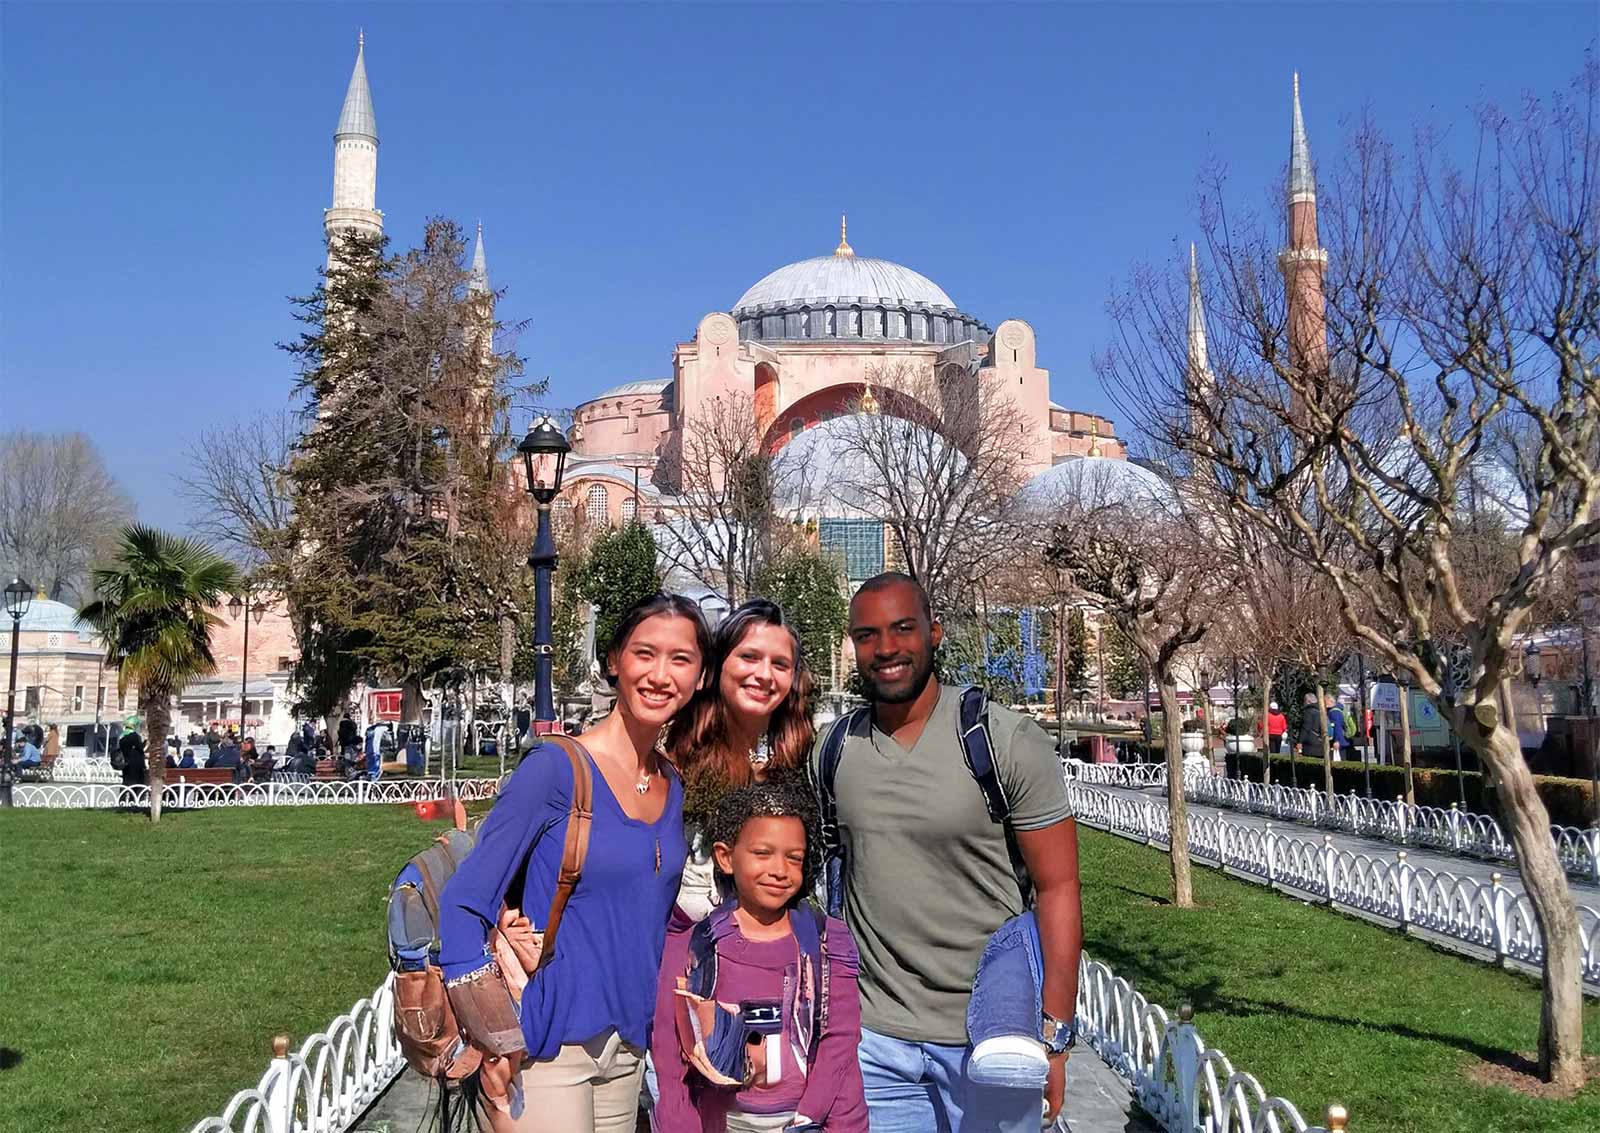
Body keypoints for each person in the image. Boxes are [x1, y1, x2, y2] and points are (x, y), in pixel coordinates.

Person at [813, 573, 1082, 1132]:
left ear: (934, 633)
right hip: (876, 1044)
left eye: (903, 629)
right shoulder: (835, 751)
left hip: (991, 1036)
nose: (886, 649)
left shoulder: (1003, 741)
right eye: (867, 635)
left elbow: (1058, 888)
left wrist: (1055, 1035)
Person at [438, 593, 711, 1133]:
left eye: (681, 659)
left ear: (701, 677)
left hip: (626, 1046)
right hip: (545, 1044)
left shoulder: (671, 784)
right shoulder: (557, 769)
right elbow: (463, 902)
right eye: (644, 654)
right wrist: (492, 1037)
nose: (660, 675)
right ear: (613, 661)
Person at [652, 782, 867, 1133]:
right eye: (762, 853)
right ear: (725, 857)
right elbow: (670, 1058)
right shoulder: (692, 948)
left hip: (805, 1123)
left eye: (794, 857)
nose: (780, 870)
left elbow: (840, 1045)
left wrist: (822, 1119)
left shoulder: (829, 944)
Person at [665, 598, 816, 922]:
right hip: (681, 946)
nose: (764, 675)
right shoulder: (674, 751)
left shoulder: (803, 758)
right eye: (749, 657)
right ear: (720, 664)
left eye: (780, 664)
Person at [1294, 692, 1325, 760]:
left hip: (1310, 745)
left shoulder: (1308, 712)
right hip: (1321, 743)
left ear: (1308, 701)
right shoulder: (1321, 711)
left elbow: (1306, 728)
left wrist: (1300, 741)